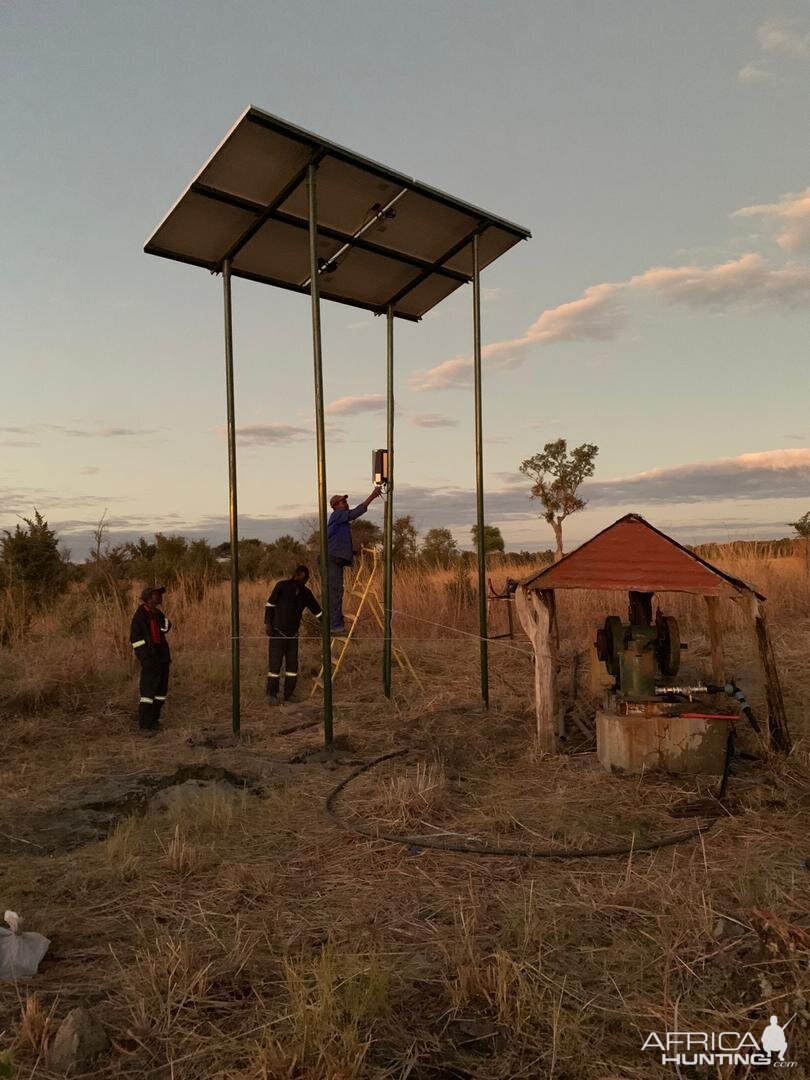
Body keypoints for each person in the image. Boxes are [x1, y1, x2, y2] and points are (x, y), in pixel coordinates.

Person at [326, 488, 381, 634]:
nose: (346, 503)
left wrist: (352, 552)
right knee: (335, 592)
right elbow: (355, 513)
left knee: (336, 591)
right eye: (343, 502)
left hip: (335, 559)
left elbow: (338, 542)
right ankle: (335, 626)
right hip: (332, 560)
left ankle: (335, 624)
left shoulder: (340, 521)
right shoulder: (337, 515)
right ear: (335, 505)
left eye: (345, 501)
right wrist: (372, 496)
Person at [264, 565, 322, 703]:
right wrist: (267, 624)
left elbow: (317, 611)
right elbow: (270, 605)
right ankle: (271, 695)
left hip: (293, 635)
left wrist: (327, 625)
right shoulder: (281, 586)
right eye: (302, 578)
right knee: (275, 665)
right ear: (295, 575)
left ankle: (289, 695)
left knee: (292, 667)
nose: (302, 582)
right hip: (277, 633)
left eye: (305, 580)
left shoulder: (306, 593)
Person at [129, 585, 172, 732]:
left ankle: (154, 721)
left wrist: (160, 616)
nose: (160, 596)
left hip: (163, 658)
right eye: (156, 594)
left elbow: (166, 628)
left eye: (160, 594)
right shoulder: (139, 616)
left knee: (161, 692)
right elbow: (135, 639)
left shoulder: (158, 614)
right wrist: (145, 658)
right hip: (150, 660)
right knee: (148, 693)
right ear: (148, 598)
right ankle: (145, 725)